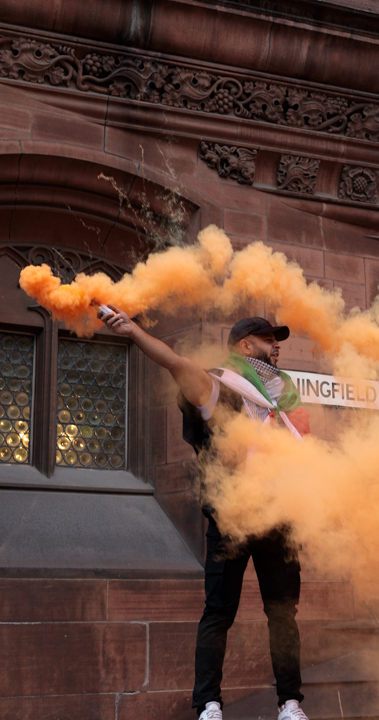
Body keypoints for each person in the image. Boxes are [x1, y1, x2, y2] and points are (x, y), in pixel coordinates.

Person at [97, 305, 310, 720]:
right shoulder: (219, 385)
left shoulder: (286, 397)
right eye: (270, 339)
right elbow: (175, 362)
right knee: (218, 612)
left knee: (283, 614)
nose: (278, 347)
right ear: (246, 345)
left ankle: (290, 704)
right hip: (232, 518)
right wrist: (132, 330)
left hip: (279, 519)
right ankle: (209, 704)